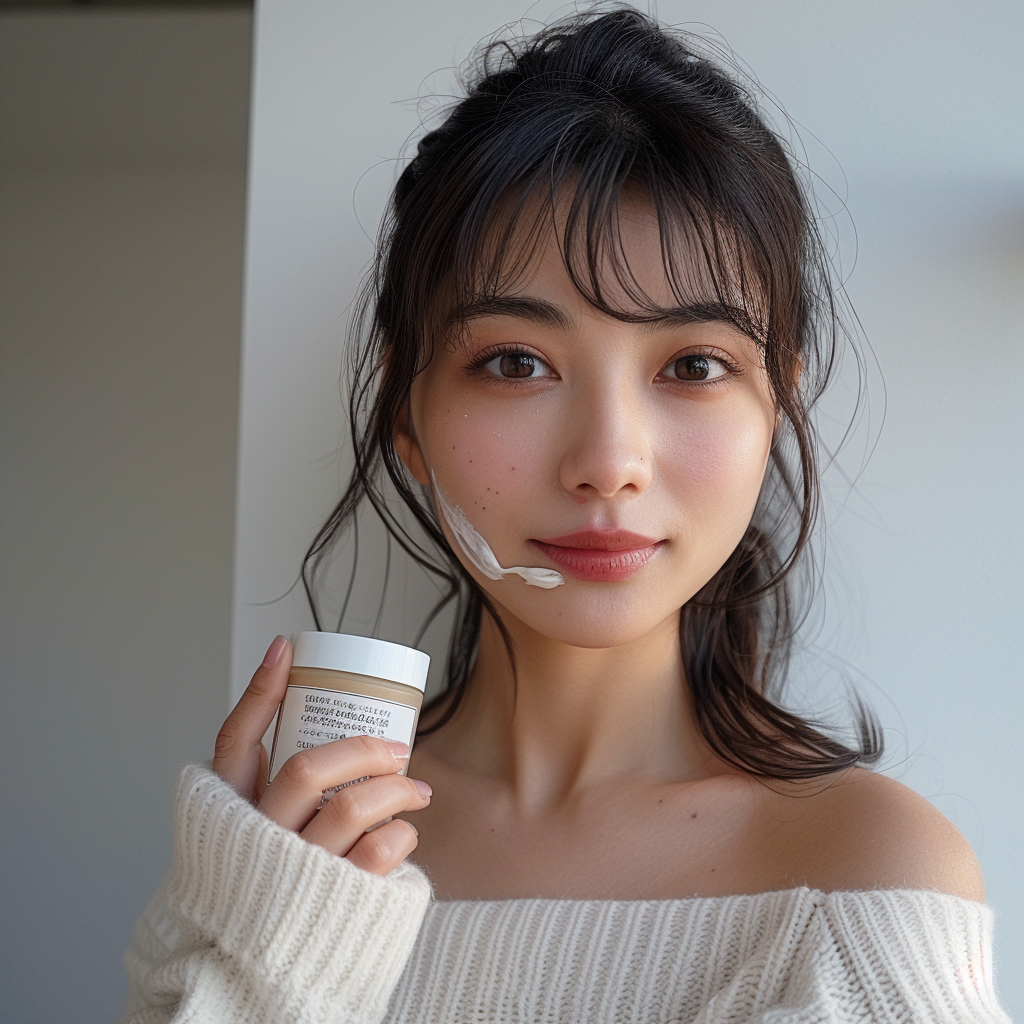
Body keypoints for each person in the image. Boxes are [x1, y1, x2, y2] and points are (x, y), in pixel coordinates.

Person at [121, 8, 1011, 1022]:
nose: (607, 464)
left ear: (778, 406)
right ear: (403, 412)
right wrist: (271, 937)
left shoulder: (866, 882)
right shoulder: (287, 846)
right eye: (514, 363)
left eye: (693, 366)